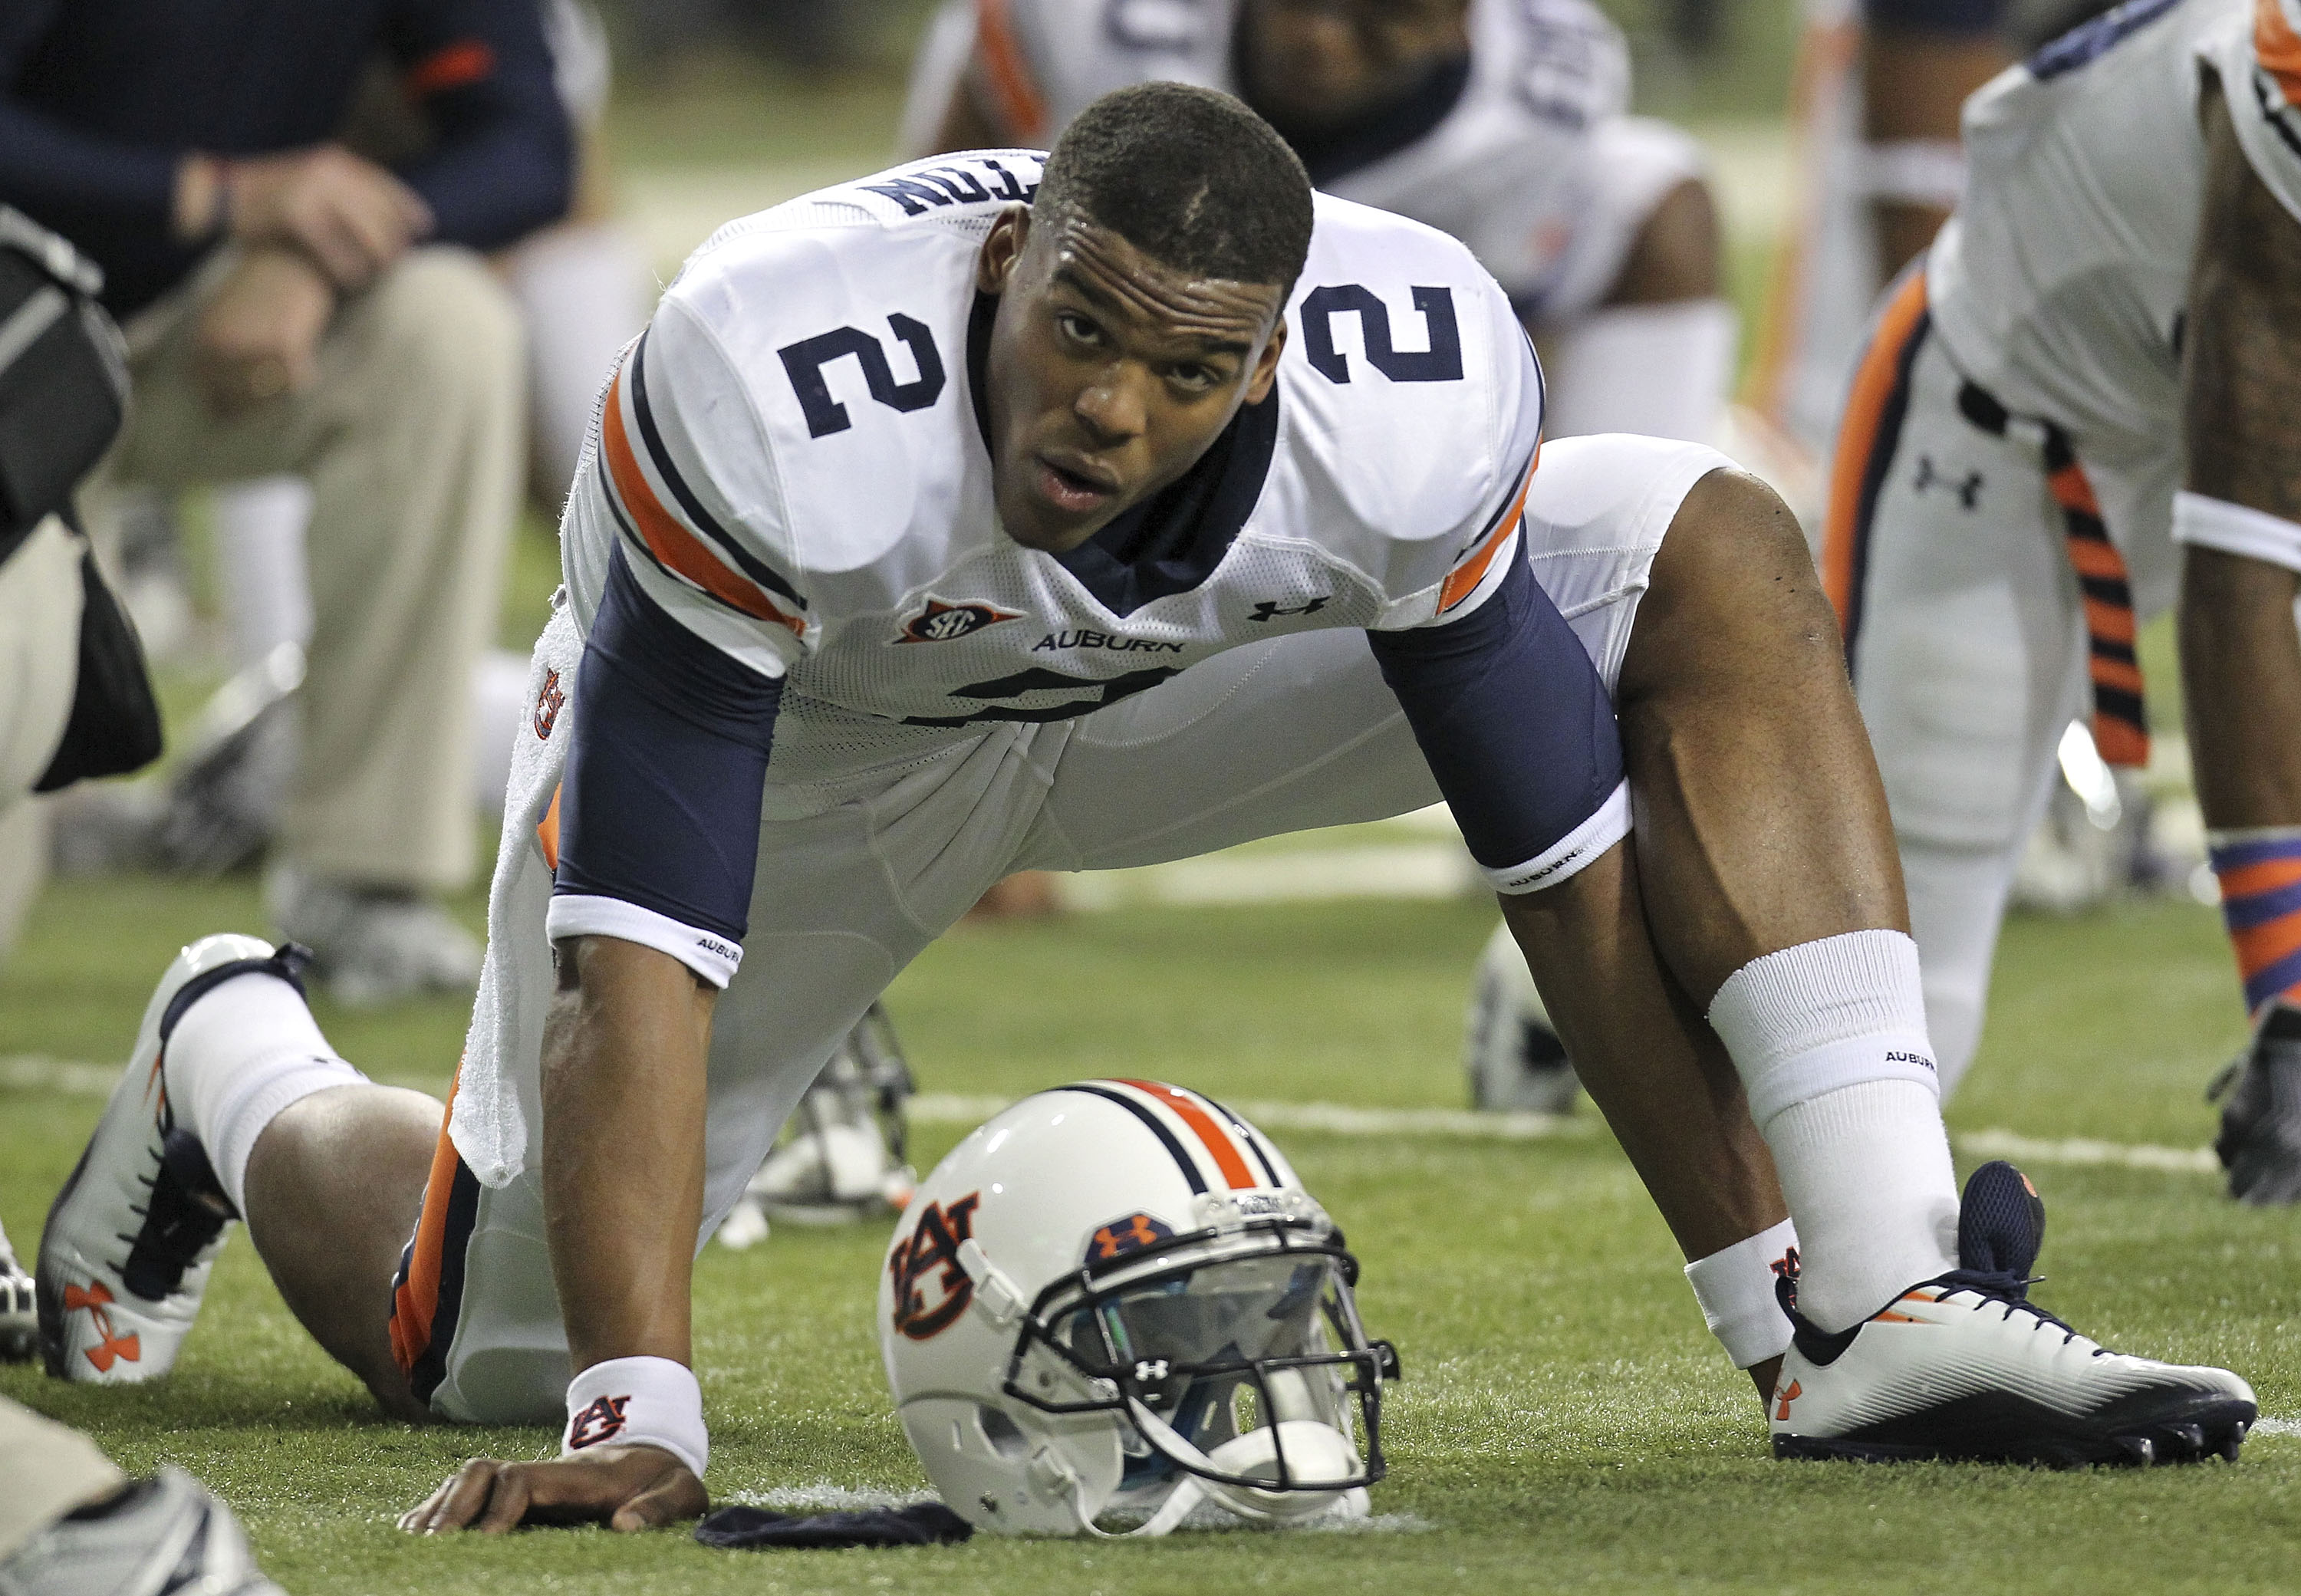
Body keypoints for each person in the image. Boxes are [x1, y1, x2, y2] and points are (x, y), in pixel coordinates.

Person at [36, 87, 2252, 1535]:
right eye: (1081, 334)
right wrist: (645, 1414)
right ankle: (231, 1044)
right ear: (1009, 267)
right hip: (826, 741)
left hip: (1180, 685)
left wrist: (1776, 1318)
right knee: (476, 1340)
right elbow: (646, 955)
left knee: (1704, 535)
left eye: (1192, 368)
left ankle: (1883, 1289)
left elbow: (1567, 880)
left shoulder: (1405, 389)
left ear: (1274, 365)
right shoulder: (773, 389)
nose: (1113, 407)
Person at [1820, 0, 2301, 1199]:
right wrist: (2289, 994)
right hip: (2016, 439)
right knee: (1900, 1026)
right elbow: (2241, 549)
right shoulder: (2278, 95)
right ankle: (1570, 964)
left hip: (2200, 421)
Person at [0, 0, 573, 1004]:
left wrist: (317, 246)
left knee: (444, 332)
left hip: (201, 307)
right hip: (13, 303)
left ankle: (364, 879)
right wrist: (215, 196)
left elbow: (528, 140)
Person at [904, 0, 1737, 447]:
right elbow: (936, 209)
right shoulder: (1097, 20)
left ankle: (1626, 555)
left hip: (1365, 393)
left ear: (1461, 21)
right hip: (1085, 347)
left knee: (1664, 191)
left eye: (1377, 18)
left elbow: (1512, 359)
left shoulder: (1539, 103)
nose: (1319, 39)